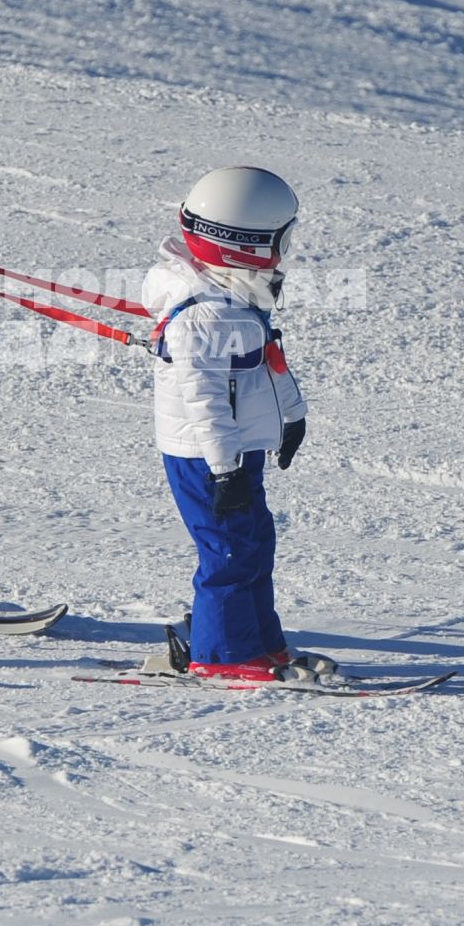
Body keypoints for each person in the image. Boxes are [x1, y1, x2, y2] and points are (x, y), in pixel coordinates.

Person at [144, 166, 319, 682]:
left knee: (254, 541)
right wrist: (224, 471)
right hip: (207, 456)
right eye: (281, 240)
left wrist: (293, 417)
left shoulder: (234, 299)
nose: (287, 252)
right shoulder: (205, 318)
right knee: (227, 551)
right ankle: (220, 655)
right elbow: (205, 405)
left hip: (237, 450)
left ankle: (259, 643)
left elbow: (268, 361)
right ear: (247, 244)